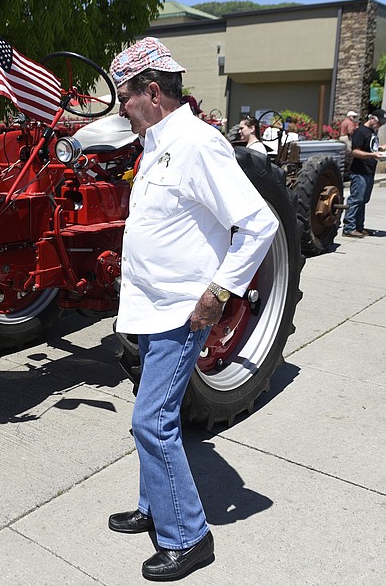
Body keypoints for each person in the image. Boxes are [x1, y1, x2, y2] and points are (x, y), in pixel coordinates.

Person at [107, 37, 279, 582]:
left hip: (182, 311)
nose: (121, 109)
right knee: (149, 416)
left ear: (151, 92)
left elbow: (259, 224)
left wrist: (218, 292)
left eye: (125, 98)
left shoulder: (198, 145)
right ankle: (154, 505)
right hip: (150, 307)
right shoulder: (159, 142)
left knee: (151, 421)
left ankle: (189, 535)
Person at [342, 109, 385, 238]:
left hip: (369, 171)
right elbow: (355, 152)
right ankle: (349, 228)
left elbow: (371, 147)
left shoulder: (372, 132)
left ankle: (359, 227)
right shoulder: (360, 131)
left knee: (363, 200)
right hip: (360, 171)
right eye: (379, 123)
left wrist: (381, 148)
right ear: (372, 119)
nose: (380, 126)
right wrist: (373, 155)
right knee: (356, 199)